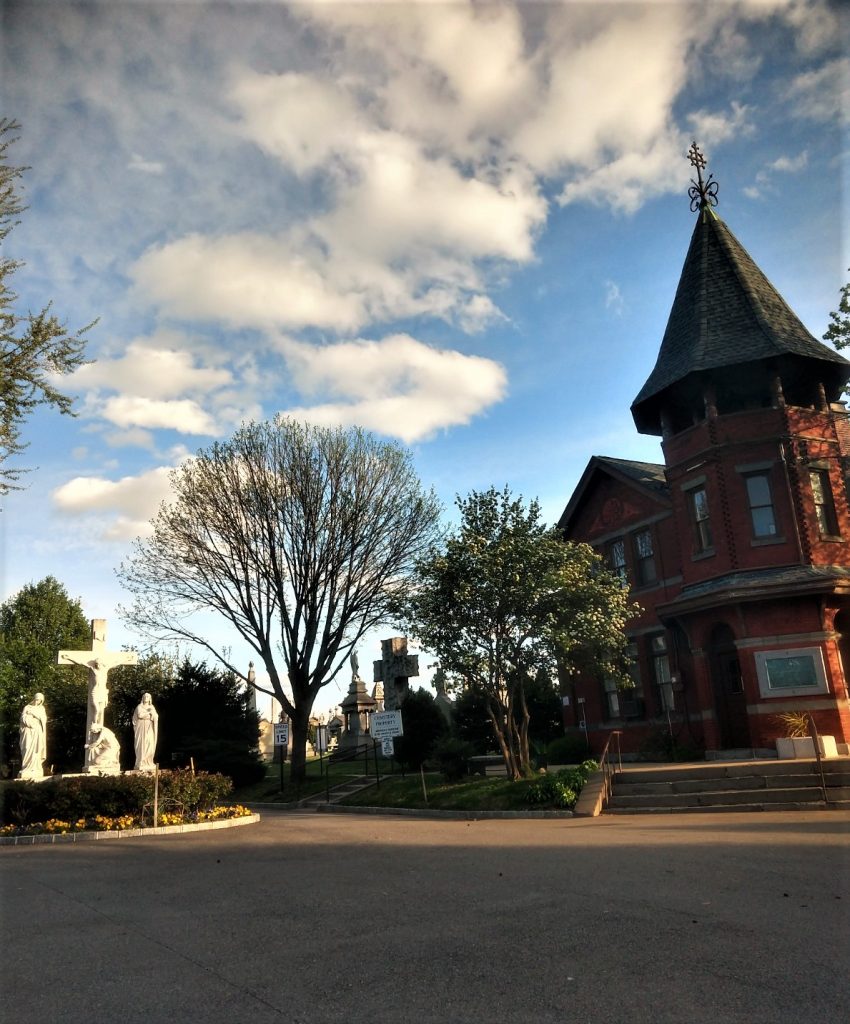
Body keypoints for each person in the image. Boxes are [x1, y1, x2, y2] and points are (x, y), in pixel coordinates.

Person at [19, 693, 47, 780]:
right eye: (36, 699)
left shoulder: (41, 708)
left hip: (37, 731)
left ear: (41, 701)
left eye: (39, 700)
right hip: (28, 730)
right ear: (34, 698)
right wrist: (29, 722)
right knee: (27, 747)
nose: (37, 701)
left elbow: (44, 719)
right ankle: (26, 767)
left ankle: (35, 768)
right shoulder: (27, 707)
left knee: (36, 750)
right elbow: (22, 718)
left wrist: (33, 714)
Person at [132, 692, 159, 771]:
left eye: (148, 696)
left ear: (150, 698)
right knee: (142, 744)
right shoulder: (139, 706)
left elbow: (156, 717)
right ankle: (141, 761)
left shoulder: (152, 707)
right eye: (145, 696)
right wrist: (149, 713)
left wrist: (152, 714)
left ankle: (149, 761)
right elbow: (140, 715)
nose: (146, 697)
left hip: (149, 727)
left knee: (149, 743)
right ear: (142, 698)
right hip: (141, 727)